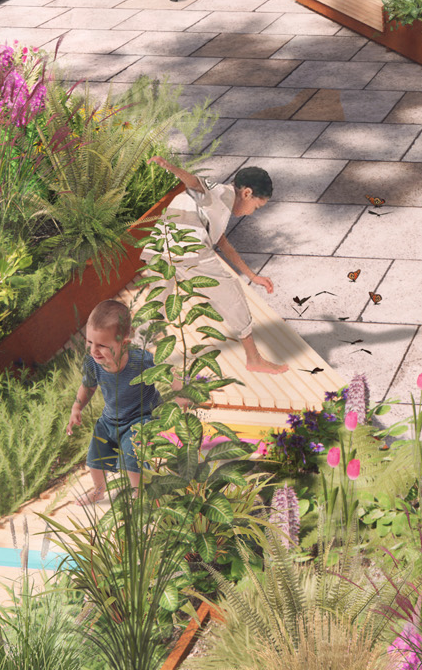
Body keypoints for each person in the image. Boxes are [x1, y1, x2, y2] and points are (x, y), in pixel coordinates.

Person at [149, 161, 287, 375]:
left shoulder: (217, 207)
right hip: (187, 250)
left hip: (159, 246)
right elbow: (194, 183)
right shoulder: (219, 192)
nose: (251, 213)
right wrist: (167, 165)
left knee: (156, 302)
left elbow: (224, 244)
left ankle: (140, 355)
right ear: (247, 193)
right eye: (256, 207)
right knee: (232, 294)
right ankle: (254, 359)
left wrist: (252, 275)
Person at [67, 299, 162, 502]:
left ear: (124, 344)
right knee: (95, 457)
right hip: (110, 418)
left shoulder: (140, 360)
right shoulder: (93, 362)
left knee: (131, 455)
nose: (94, 350)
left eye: (102, 345)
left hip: (140, 417)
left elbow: (165, 372)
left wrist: (179, 393)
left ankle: (139, 492)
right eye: (90, 342)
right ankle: (98, 490)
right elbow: (88, 386)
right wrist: (77, 407)